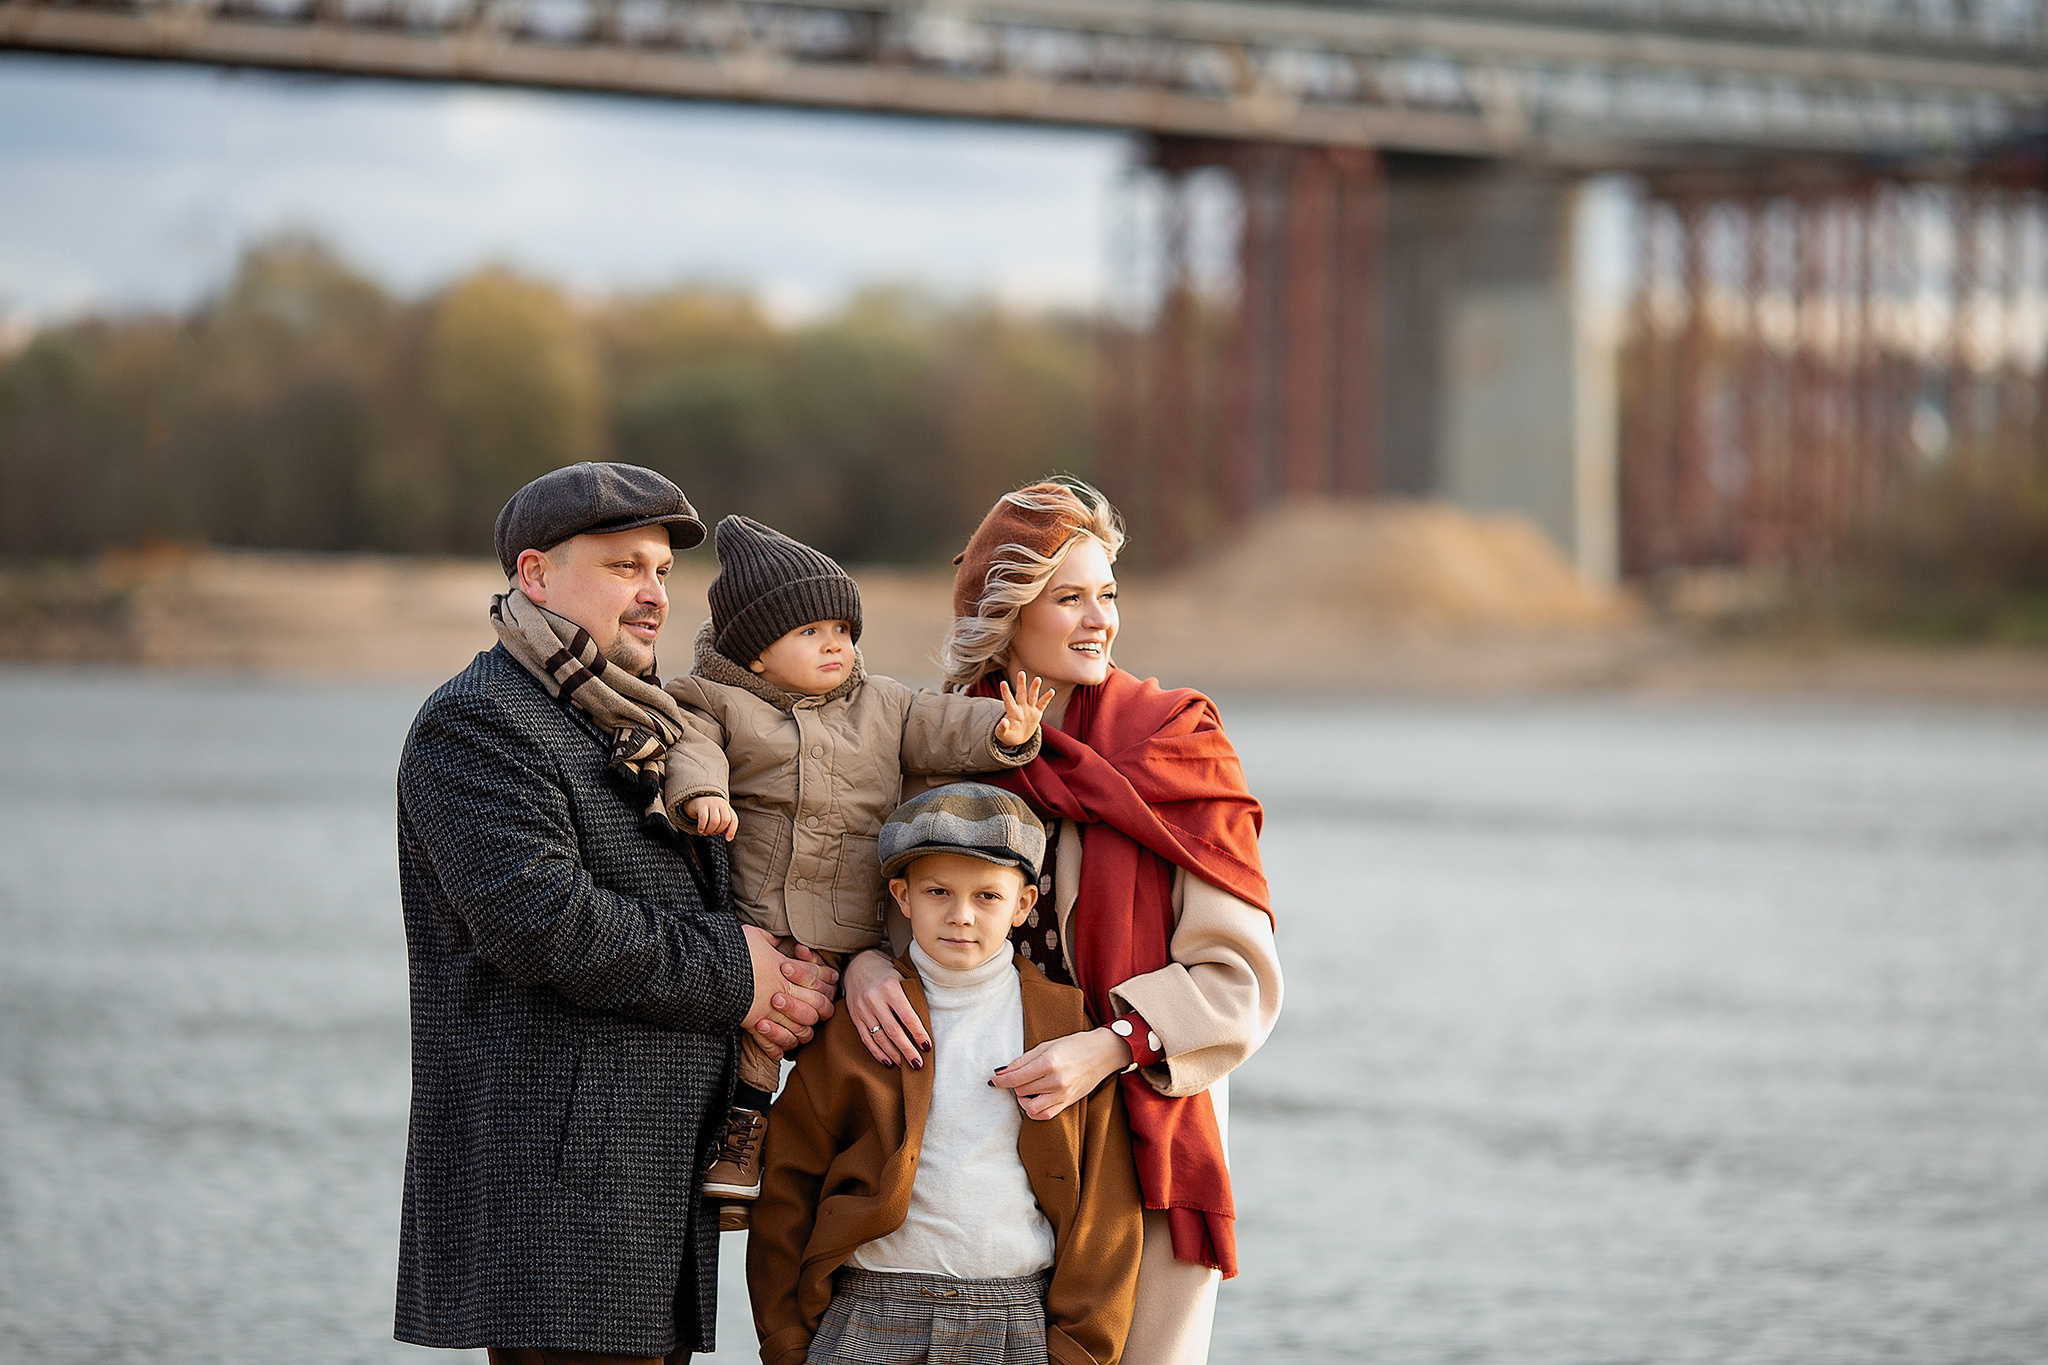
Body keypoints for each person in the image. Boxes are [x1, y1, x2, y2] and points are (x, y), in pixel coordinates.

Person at [393, 462, 838, 1365]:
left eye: (664, 572)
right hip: (556, 1209)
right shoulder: (478, 723)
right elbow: (542, 922)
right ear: (534, 573)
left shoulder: (645, 719)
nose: (653, 593)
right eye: (624, 566)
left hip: (645, 1193)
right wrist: (741, 974)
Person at [841, 478, 1282, 1365]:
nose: (1099, 620)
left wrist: (1107, 1043)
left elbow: (1239, 981)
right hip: (970, 1155)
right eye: (1069, 597)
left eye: (1107, 593)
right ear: (1006, 614)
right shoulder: (938, 745)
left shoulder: (1178, 741)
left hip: (1136, 1134)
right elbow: (880, 912)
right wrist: (863, 964)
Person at [657, 514, 1052, 1228]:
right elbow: (692, 748)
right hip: (763, 918)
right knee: (759, 1036)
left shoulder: (883, 702)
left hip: (855, 920)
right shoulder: (716, 699)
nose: (835, 642)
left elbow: (938, 725)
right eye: (810, 632)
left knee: (862, 1040)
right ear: (754, 655)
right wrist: (702, 795)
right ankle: (741, 1146)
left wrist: (1001, 731)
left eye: (842, 627)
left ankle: (849, 1156)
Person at [747, 784, 1144, 1365]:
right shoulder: (862, 1020)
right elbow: (790, 1177)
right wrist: (786, 1341)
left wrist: (1082, 1350)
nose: (961, 915)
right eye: (938, 892)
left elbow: (1105, 1200)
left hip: (1013, 1317)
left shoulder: (1063, 1021)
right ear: (902, 898)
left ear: (1024, 904)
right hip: (867, 1313)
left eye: (988, 896)